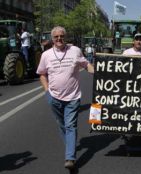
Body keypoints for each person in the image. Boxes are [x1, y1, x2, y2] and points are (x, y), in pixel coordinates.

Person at [36, 26, 94, 170]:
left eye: (61, 36)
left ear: (65, 37)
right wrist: (47, 91)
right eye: (56, 37)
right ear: (52, 39)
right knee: (61, 124)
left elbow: (86, 64)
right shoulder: (46, 55)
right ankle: (71, 144)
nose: (59, 39)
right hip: (53, 97)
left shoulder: (75, 51)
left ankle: (70, 158)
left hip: (73, 97)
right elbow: (42, 74)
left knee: (70, 125)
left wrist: (99, 73)